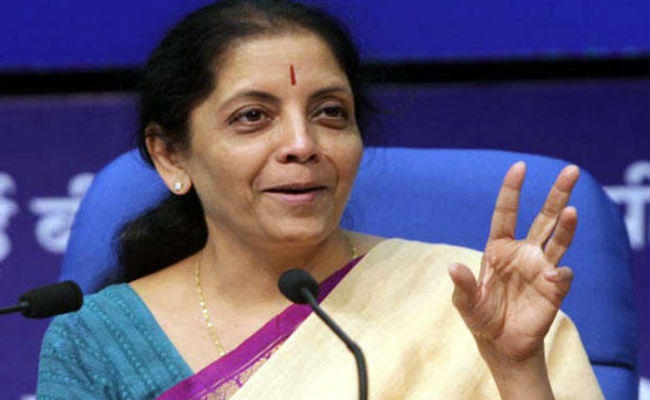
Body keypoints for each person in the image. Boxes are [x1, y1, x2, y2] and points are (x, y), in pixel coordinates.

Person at [36, 0, 604, 399]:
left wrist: (515, 368)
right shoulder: (98, 341)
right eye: (253, 117)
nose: (303, 145)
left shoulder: (468, 304)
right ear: (170, 157)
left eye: (330, 113)